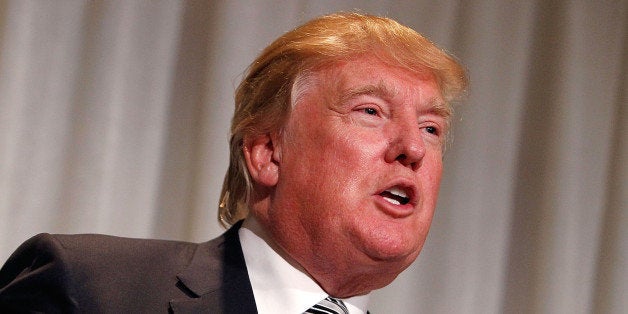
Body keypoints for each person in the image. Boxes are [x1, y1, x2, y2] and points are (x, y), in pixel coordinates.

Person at [0, 12, 467, 313]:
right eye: (370, 111)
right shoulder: (88, 288)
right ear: (267, 153)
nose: (414, 148)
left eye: (432, 127)